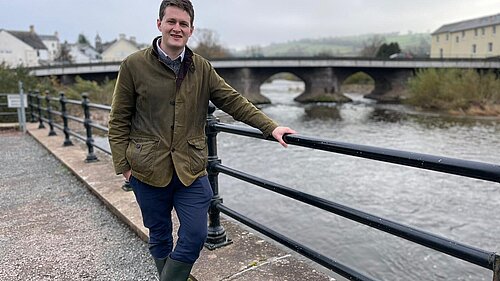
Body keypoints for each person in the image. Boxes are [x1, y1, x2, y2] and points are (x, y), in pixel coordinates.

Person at [108, 0, 296, 280]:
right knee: (159, 235)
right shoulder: (134, 65)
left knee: (195, 234)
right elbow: (118, 119)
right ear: (159, 24)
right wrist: (124, 166)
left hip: (191, 169)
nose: (177, 28)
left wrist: (271, 127)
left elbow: (233, 101)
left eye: (183, 24)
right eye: (171, 21)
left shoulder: (201, 68)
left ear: (191, 29)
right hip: (147, 169)